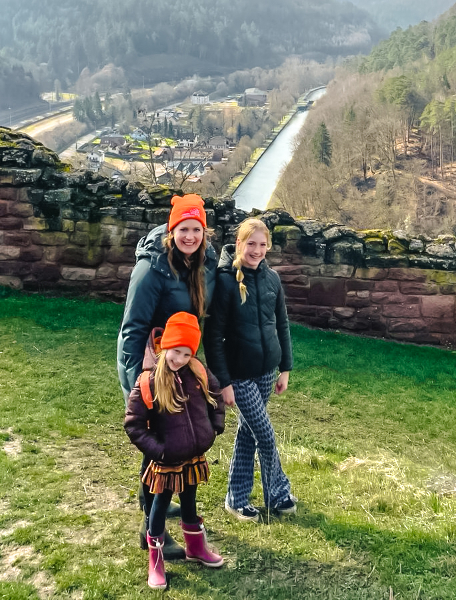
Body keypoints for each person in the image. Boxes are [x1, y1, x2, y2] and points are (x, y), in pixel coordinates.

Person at [117, 193, 217, 559]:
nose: (189, 236)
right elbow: (133, 327)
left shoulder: (202, 264)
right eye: (183, 229)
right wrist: (134, 383)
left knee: (177, 434)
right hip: (150, 360)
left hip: (179, 359)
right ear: (171, 230)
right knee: (158, 438)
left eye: (196, 229)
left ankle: (160, 503)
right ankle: (150, 525)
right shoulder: (152, 268)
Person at [203, 218, 295, 522]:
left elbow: (281, 324)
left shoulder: (273, 280)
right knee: (266, 436)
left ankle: (237, 498)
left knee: (248, 433)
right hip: (239, 375)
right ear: (239, 243)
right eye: (250, 243)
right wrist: (224, 382)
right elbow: (213, 336)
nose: (256, 250)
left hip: (267, 371)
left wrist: (285, 368)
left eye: (262, 244)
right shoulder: (226, 281)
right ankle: (278, 493)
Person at [125, 312, 226, 590]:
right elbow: (133, 424)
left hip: (193, 456)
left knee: (190, 500)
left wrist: (214, 426)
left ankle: (195, 548)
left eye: (186, 353)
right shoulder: (149, 380)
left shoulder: (198, 372)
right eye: (175, 351)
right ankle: (155, 561)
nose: (179, 359)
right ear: (165, 345)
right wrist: (159, 450)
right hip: (167, 459)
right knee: (159, 505)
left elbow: (216, 395)